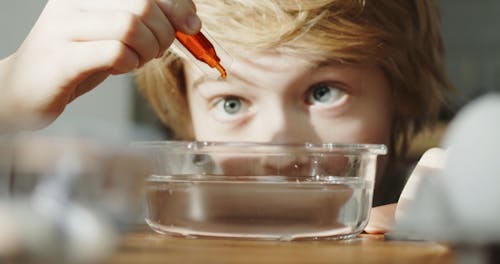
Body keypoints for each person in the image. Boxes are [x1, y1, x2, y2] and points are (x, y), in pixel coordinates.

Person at [0, 0, 453, 233]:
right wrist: (9, 96)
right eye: (232, 103)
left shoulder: (445, 206)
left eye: (324, 92)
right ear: (185, 115)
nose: (277, 149)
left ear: (403, 91)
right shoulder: (120, 218)